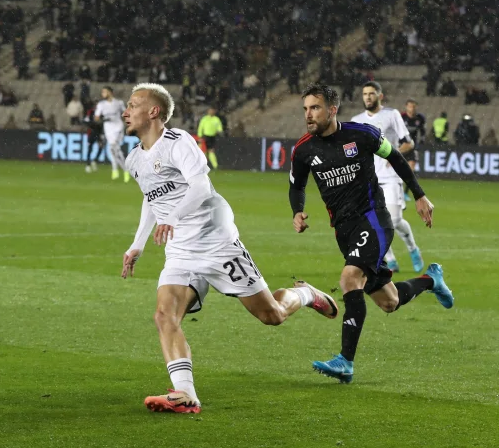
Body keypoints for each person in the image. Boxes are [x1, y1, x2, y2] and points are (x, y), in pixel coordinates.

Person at [120, 83, 338, 413]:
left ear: (153, 112)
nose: (126, 110)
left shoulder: (178, 144)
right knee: (165, 315)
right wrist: (136, 245)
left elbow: (200, 186)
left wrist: (174, 217)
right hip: (180, 249)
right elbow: (152, 200)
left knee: (272, 316)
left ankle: (305, 294)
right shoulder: (134, 158)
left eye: (133, 104)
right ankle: (185, 394)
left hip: (215, 239)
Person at [289, 83, 454, 384]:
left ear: (332, 110)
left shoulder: (361, 134)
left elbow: (396, 157)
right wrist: (297, 211)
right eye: (305, 109)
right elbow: (297, 185)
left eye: (314, 108)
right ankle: (431, 280)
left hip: (374, 219)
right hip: (344, 230)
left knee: (349, 279)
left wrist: (419, 194)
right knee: (388, 301)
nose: (308, 115)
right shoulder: (303, 150)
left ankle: (345, 362)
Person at [352, 82, 424, 274]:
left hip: (391, 178)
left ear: (380, 96)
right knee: (374, 224)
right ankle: (390, 260)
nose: (367, 97)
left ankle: (413, 248)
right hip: (368, 180)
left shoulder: (392, 115)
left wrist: (393, 154)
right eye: (365, 94)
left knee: (394, 220)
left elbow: (409, 144)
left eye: (371, 94)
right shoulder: (356, 120)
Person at [93, 86, 127, 181]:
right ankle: (125, 169)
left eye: (104, 92)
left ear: (110, 92)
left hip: (118, 127)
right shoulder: (101, 104)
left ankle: (115, 169)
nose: (102, 94)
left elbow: (125, 114)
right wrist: (103, 119)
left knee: (113, 148)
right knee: (115, 150)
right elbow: (96, 117)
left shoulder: (119, 103)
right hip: (108, 128)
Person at [401, 99, 426, 200]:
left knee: (411, 171)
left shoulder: (420, 118)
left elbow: (423, 131)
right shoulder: (401, 117)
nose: (412, 109)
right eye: (410, 106)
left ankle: (405, 193)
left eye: (414, 106)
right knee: (396, 171)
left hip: (412, 147)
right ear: (406, 107)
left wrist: (421, 142)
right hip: (401, 147)